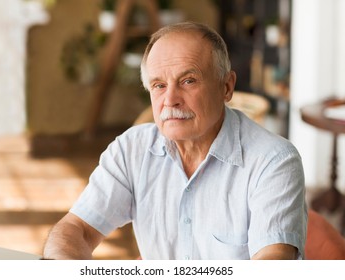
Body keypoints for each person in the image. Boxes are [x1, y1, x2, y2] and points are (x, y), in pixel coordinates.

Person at [43, 21, 307, 260]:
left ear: (226, 87)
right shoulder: (130, 150)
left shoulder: (274, 161)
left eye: (188, 81)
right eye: (158, 85)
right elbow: (75, 229)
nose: (170, 100)